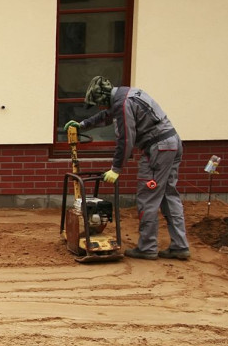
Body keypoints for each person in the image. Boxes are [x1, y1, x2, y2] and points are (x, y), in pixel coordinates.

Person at [66, 76, 190, 260]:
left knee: (148, 198)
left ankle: (147, 248)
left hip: (158, 149)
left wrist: (116, 168)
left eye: (99, 104)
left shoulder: (123, 105)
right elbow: (108, 115)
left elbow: (126, 139)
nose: (100, 108)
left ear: (104, 98)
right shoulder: (126, 94)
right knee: (168, 195)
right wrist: (83, 125)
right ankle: (180, 246)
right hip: (171, 143)